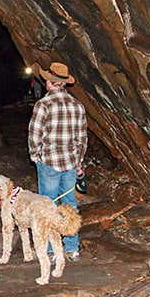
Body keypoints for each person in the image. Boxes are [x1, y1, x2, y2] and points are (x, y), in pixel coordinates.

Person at [28, 62, 87, 261]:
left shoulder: (43, 105)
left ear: (49, 82)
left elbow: (35, 135)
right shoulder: (77, 106)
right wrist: (78, 162)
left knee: (48, 204)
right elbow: (82, 139)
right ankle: (72, 248)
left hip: (49, 163)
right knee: (70, 204)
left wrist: (36, 157)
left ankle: (51, 251)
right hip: (70, 163)